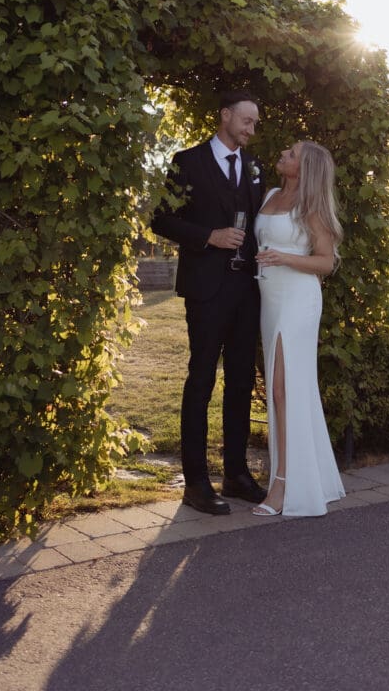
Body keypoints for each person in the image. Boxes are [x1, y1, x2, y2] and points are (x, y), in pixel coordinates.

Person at [151, 91, 267, 515]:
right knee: (201, 381)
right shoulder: (188, 161)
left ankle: (235, 474)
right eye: (247, 121)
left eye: (255, 123)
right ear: (225, 116)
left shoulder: (254, 169)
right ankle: (196, 483)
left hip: (246, 289)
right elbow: (160, 219)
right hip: (206, 289)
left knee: (239, 381)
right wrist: (208, 236)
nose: (252, 129)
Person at [252, 140, 346, 517]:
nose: (283, 155)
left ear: (304, 169)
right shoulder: (271, 193)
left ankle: (284, 485)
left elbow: (325, 263)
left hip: (298, 299)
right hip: (269, 299)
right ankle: (304, 473)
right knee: (278, 388)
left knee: (282, 389)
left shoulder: (312, 208)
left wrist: (285, 258)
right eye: (286, 150)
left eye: (290, 154)